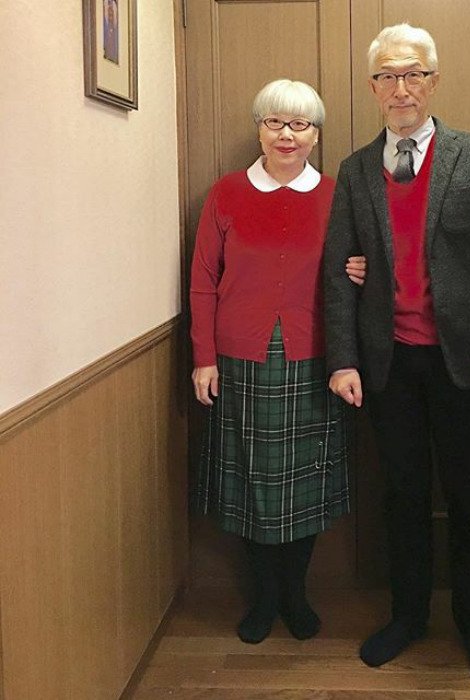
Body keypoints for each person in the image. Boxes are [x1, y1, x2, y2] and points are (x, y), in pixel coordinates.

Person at [323, 24, 470, 691]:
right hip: (388, 366)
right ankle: (407, 616)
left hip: (464, 364)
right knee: (402, 497)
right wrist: (344, 360)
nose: (400, 88)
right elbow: (338, 272)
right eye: (386, 76)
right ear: (374, 88)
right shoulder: (353, 171)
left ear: (433, 81)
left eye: (412, 74)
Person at [190, 79, 364, 645]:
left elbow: (359, 272)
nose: (287, 135)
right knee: (249, 485)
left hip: (317, 359)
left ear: (316, 134)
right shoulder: (225, 194)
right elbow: (202, 283)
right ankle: (263, 599)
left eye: (301, 125)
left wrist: (362, 273)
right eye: (275, 123)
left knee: (304, 487)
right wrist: (202, 358)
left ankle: (295, 594)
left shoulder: (340, 196)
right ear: (260, 128)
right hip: (240, 360)